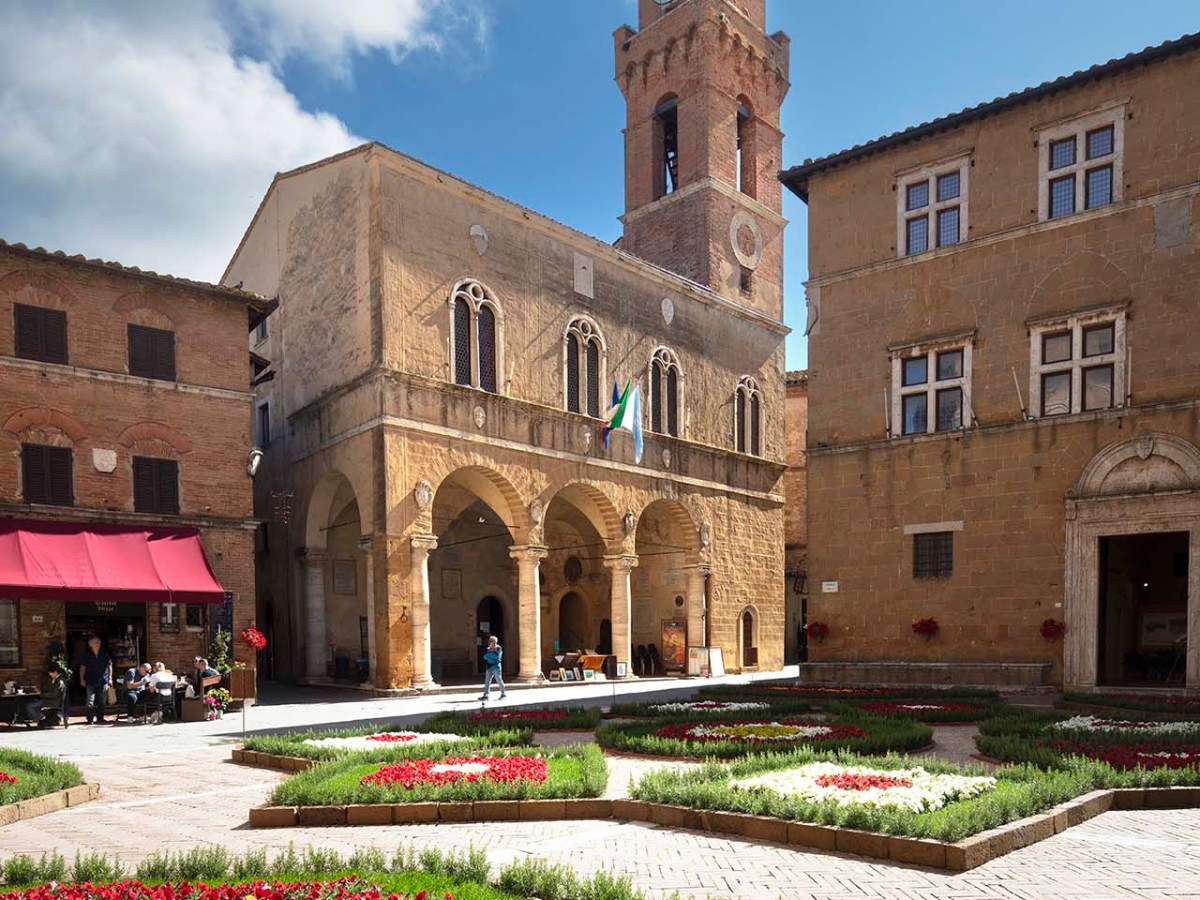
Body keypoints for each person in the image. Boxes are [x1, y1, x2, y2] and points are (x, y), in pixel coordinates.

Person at [74, 636, 112, 725]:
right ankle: (90, 719)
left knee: (102, 701)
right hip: (90, 681)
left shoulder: (104, 654)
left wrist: (110, 678)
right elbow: (82, 668)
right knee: (90, 701)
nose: (97, 644)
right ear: (90, 644)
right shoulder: (86, 655)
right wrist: (81, 678)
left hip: (103, 680)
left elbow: (109, 666)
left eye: (98, 642)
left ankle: (100, 718)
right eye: (95, 642)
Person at [479, 635, 506, 702]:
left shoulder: (498, 648)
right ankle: (486, 695)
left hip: (496, 667)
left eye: (491, 641)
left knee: (499, 680)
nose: (489, 642)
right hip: (489, 667)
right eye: (489, 641)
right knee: (487, 681)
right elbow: (485, 657)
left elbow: (497, 657)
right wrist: (491, 655)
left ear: (494, 642)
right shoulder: (488, 649)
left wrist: (490, 655)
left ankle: (503, 694)